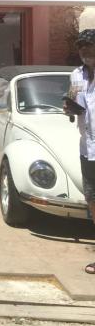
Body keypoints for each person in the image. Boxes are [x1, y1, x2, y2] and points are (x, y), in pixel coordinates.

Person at [66, 29, 95, 274]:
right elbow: (75, 103)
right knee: (92, 199)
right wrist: (69, 108)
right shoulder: (77, 75)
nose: (84, 50)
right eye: (81, 46)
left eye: (89, 45)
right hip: (87, 148)